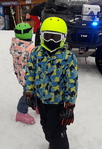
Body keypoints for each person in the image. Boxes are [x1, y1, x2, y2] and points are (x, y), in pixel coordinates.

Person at [24, 17, 78, 149]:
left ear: (63, 38)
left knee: (56, 131)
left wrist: (69, 105)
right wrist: (29, 92)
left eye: (56, 37)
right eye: (47, 36)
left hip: (58, 103)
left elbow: (71, 83)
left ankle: (59, 145)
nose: (51, 41)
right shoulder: (36, 53)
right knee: (46, 126)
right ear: (41, 36)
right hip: (41, 100)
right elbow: (30, 73)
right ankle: (53, 143)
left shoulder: (68, 57)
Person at [10, 22, 36, 124]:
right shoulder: (30, 48)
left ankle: (36, 105)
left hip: (20, 74)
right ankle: (21, 111)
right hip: (30, 76)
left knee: (34, 91)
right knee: (28, 93)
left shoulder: (15, 45)